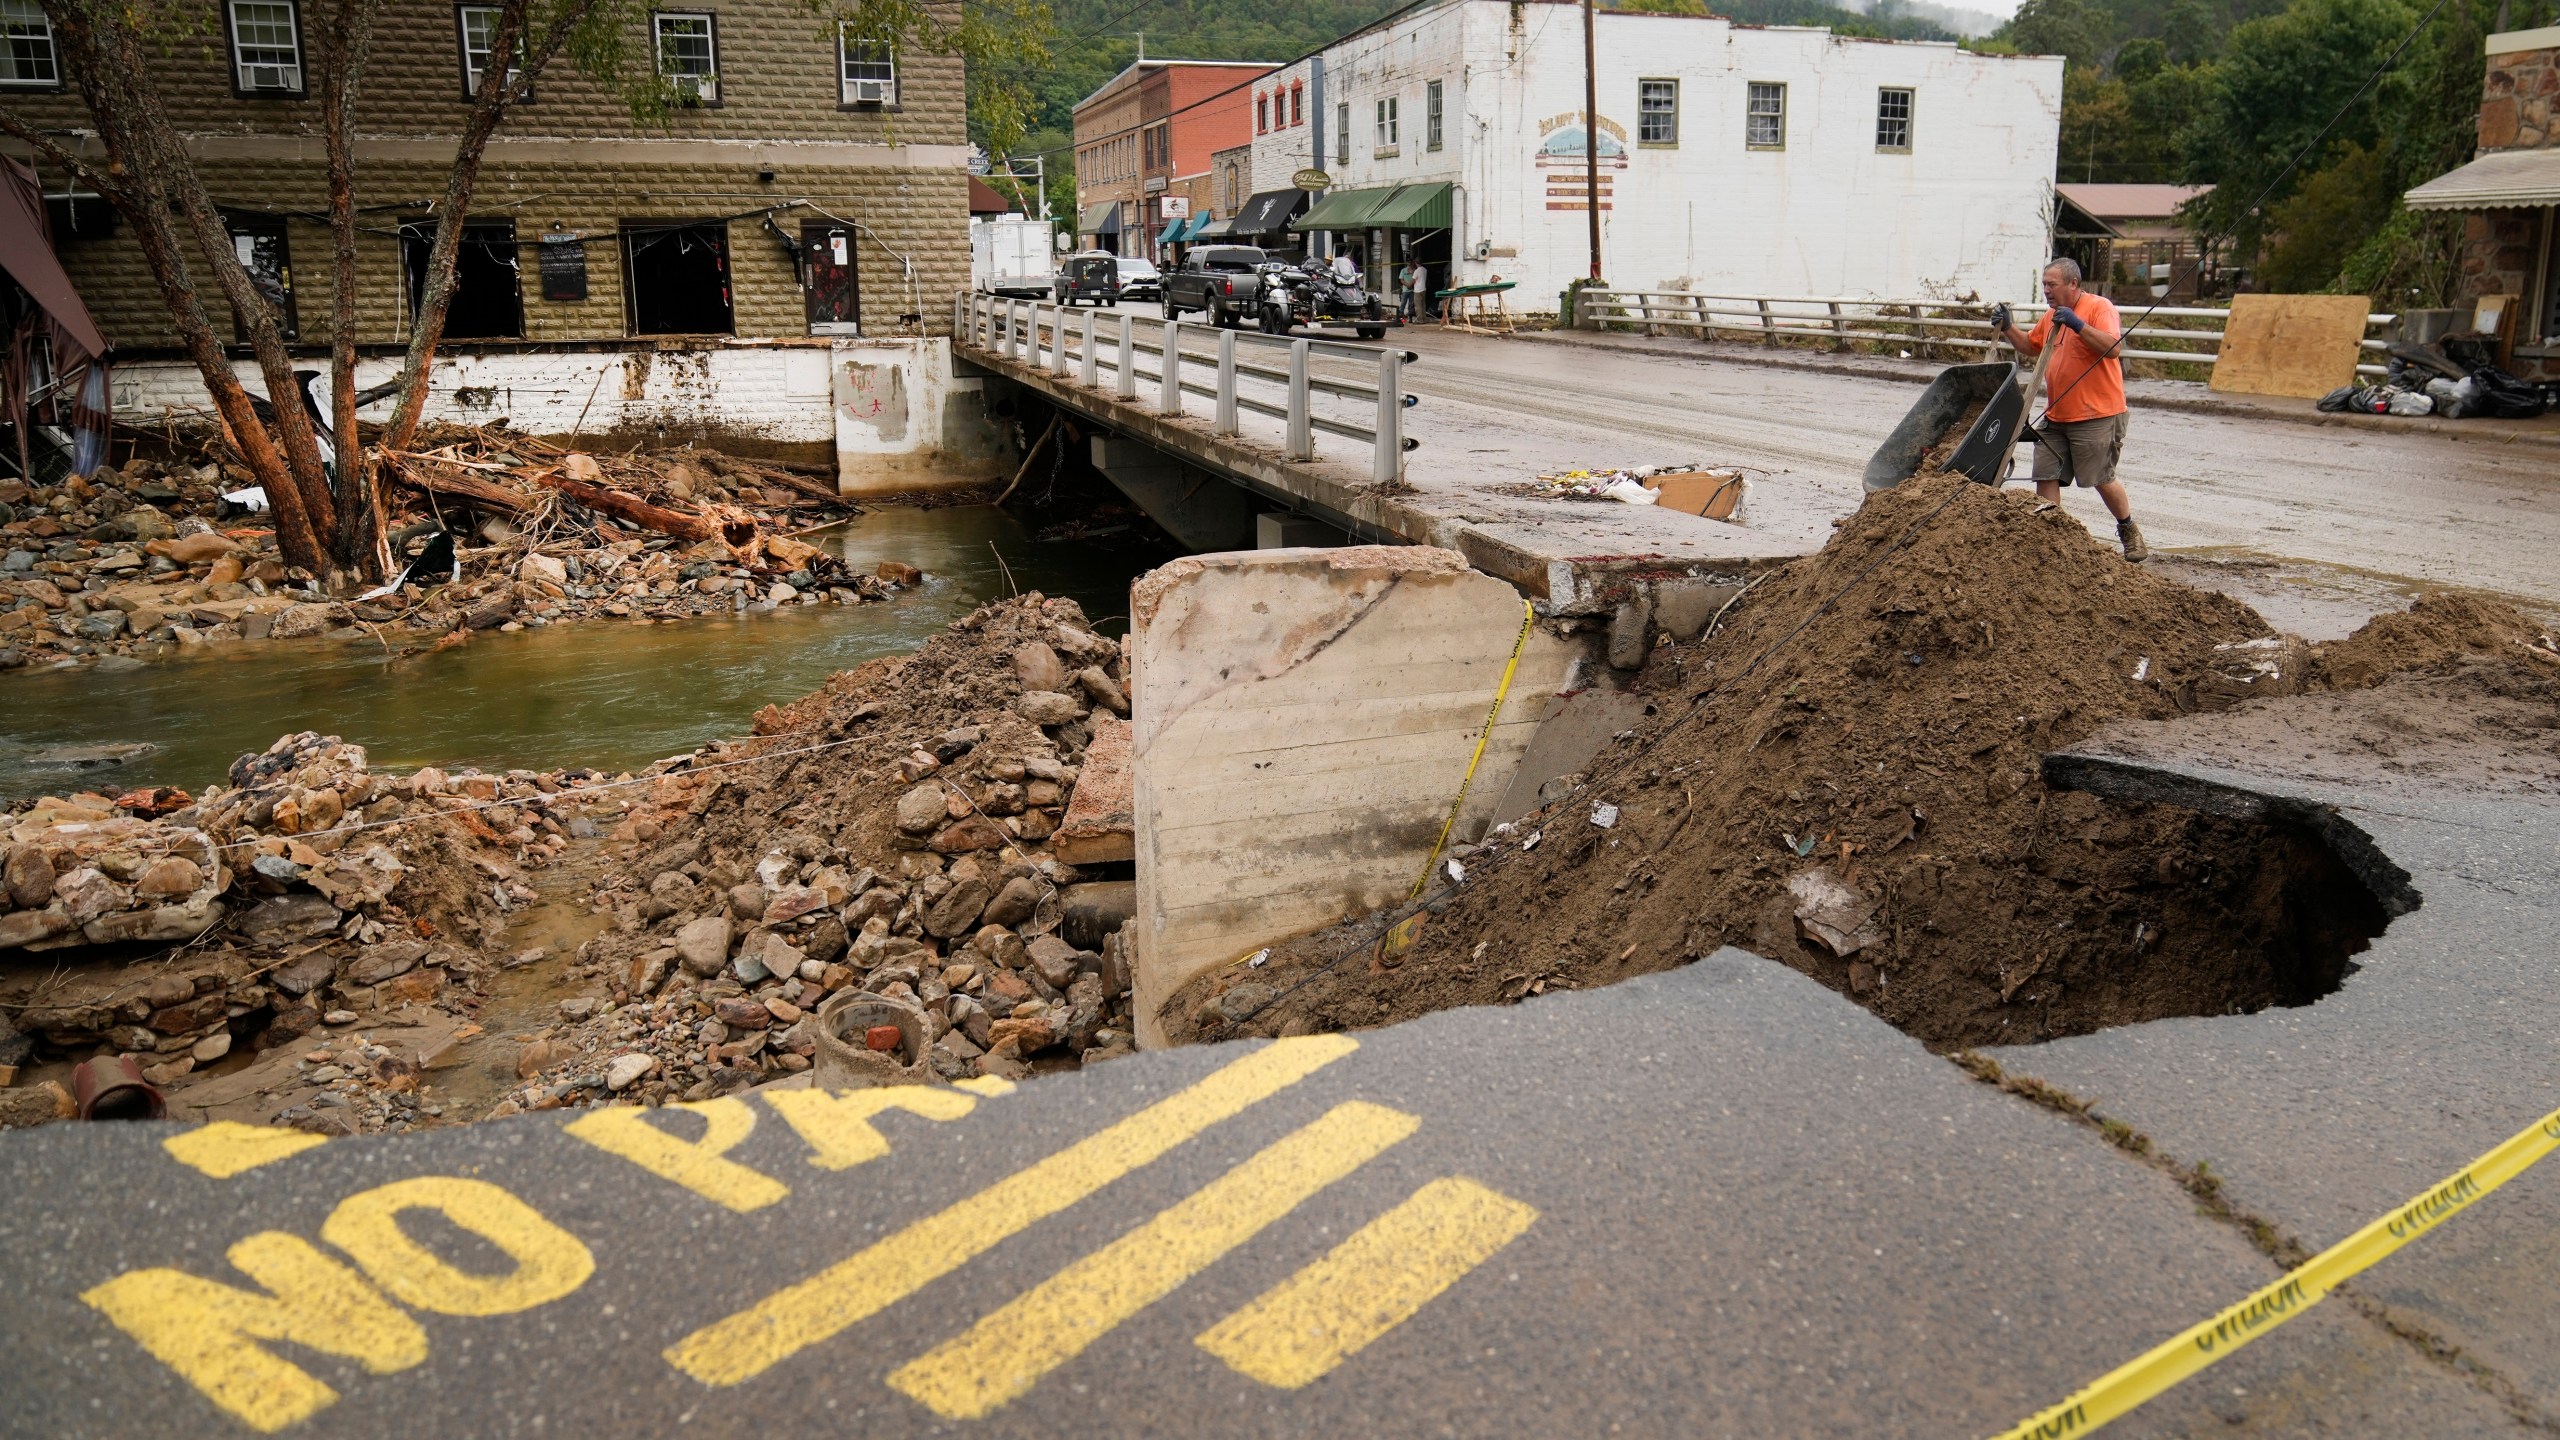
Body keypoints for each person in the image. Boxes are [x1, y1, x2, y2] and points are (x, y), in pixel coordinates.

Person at [1993, 257, 2148, 562]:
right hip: (2057, 413)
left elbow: (2112, 347)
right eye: (2044, 285)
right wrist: (2009, 327)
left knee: (2100, 477)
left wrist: (2078, 325)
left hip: (2097, 414)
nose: (2046, 290)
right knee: (2046, 475)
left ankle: (2129, 529)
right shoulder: (2052, 315)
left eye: (2052, 284)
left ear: (2073, 284)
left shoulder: (2098, 308)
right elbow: (2029, 345)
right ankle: (2050, 539)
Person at [1401, 257, 1428, 322]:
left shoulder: (1416, 271)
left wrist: (1408, 286)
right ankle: (1424, 319)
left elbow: (1413, 280)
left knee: (1418, 306)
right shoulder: (1425, 270)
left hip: (1417, 290)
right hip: (1423, 289)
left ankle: (1419, 320)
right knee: (1423, 305)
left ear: (1416, 263)